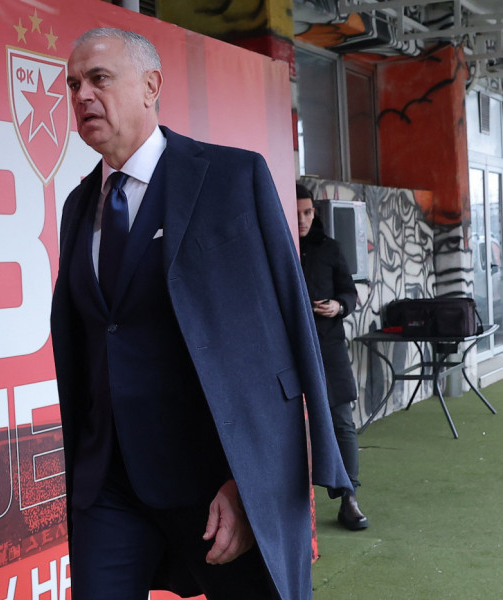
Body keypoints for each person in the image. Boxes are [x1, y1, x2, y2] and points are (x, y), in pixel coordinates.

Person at [50, 27, 351, 600]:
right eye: (73, 84)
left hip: (220, 481)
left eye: (100, 78)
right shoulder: (77, 207)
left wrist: (251, 482)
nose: (83, 95)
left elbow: (283, 332)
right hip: (109, 485)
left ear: (151, 86)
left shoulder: (232, 178)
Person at [296, 183, 369, 531]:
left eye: (307, 212)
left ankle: (349, 498)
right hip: (287, 350)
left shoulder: (329, 248)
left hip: (329, 347)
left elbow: (349, 293)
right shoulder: (276, 246)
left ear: (315, 212)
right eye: (296, 213)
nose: (302, 219)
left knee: (342, 421)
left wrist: (339, 306)